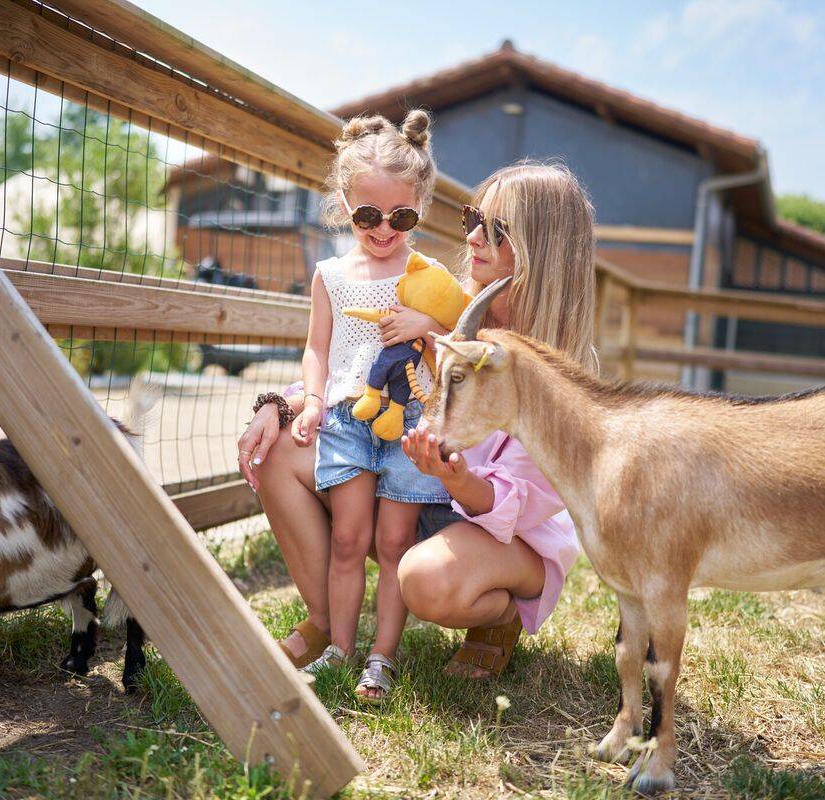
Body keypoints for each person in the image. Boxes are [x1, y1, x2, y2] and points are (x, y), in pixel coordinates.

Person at [239, 160, 598, 683]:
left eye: (495, 230)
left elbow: (518, 505)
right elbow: (363, 368)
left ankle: (501, 616)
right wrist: (283, 405)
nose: (472, 237)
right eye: (473, 218)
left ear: (541, 250)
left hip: (501, 532)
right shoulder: (444, 303)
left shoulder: (561, 377)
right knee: (277, 452)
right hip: (422, 487)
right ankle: (325, 622)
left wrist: (457, 477)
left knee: (424, 580)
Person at [286, 109, 456, 702]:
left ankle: (382, 657)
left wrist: (427, 324)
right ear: (344, 205)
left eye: (401, 216)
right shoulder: (331, 274)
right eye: (367, 216)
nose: (384, 229)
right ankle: (339, 647)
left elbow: (458, 343)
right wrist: (311, 402)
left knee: (393, 544)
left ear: (421, 207)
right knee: (348, 540)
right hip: (345, 419)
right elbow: (317, 347)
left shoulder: (429, 275)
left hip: (410, 422)